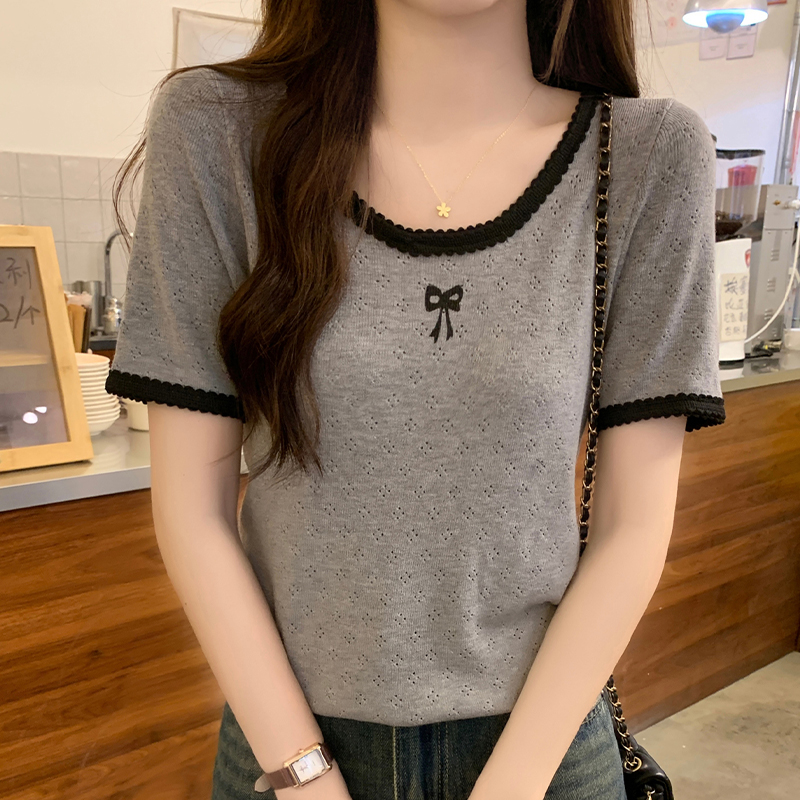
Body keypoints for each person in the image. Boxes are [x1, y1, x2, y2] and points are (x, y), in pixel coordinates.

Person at [105, 1, 726, 799]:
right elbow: (192, 513)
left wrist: (514, 785)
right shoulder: (218, 131)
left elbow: (633, 529)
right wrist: (304, 777)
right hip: (290, 749)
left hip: (543, 754)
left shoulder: (646, 155)